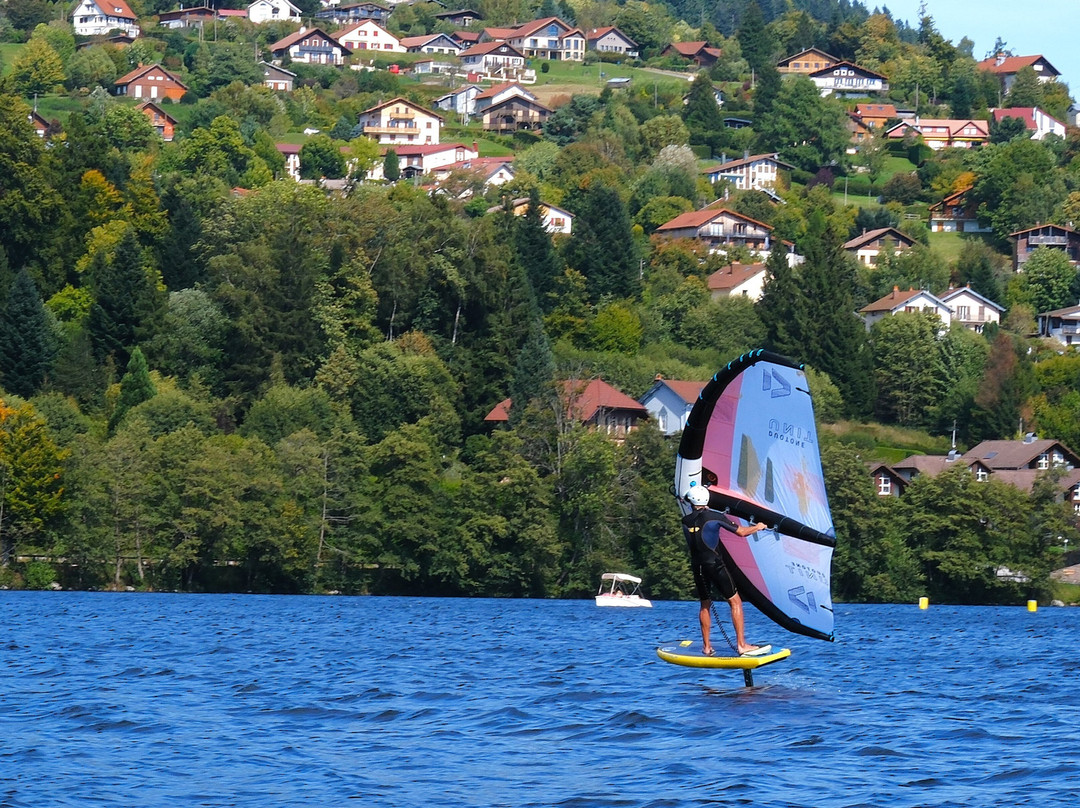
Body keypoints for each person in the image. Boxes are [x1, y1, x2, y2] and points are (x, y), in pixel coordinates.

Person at [681, 482, 769, 657]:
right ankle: (742, 645)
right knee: (735, 601)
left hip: (697, 566)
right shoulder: (714, 517)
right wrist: (758, 527)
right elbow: (742, 532)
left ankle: (706, 647)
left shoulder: (685, 520)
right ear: (706, 499)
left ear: (691, 502)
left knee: (705, 604)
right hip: (714, 565)